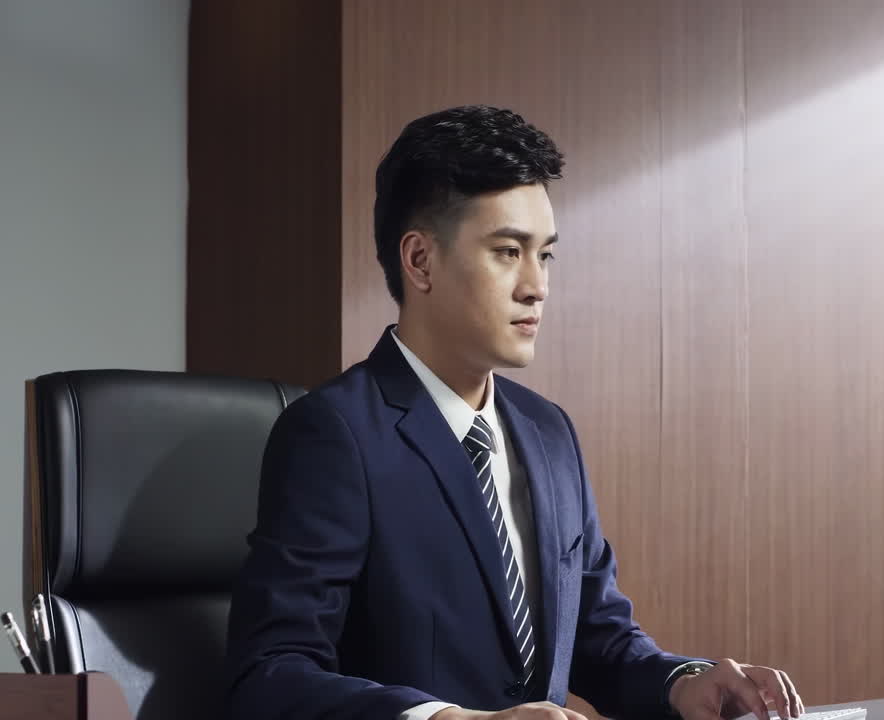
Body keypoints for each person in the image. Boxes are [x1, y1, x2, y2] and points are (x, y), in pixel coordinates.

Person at [224, 105, 804, 720]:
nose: (537, 286)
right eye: (508, 252)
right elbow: (270, 676)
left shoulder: (548, 432)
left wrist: (686, 682)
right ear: (420, 260)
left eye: (544, 255)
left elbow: (599, 641)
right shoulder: (335, 434)